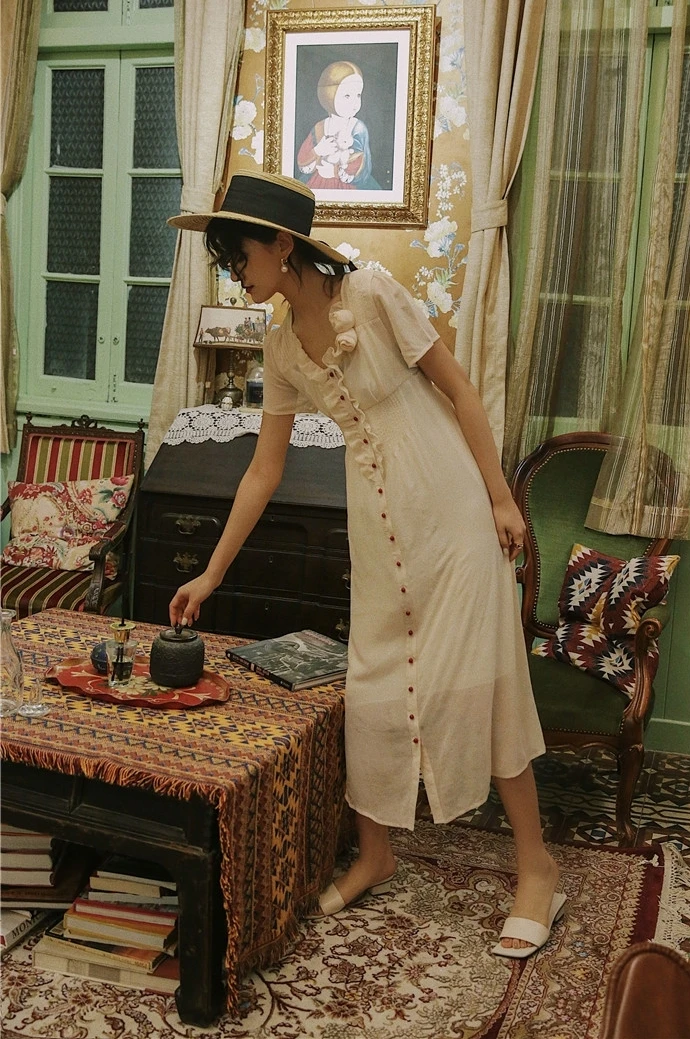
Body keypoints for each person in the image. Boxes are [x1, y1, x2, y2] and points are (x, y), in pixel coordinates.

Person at [167, 169, 565, 957]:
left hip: (449, 511)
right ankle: (376, 854)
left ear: (282, 245)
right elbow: (262, 470)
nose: (235, 273)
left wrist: (500, 498)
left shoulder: (374, 293)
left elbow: (462, 392)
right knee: (374, 684)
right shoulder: (281, 344)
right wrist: (211, 572)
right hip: (379, 531)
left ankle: (536, 868)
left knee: (480, 681)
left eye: (239, 255)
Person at [296, 60, 380, 191]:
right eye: (347, 96)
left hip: (348, 187)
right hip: (319, 183)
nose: (355, 102)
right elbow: (302, 161)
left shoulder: (358, 128)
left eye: (358, 95)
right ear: (329, 94)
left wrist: (335, 172)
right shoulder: (320, 127)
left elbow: (363, 164)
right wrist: (318, 151)